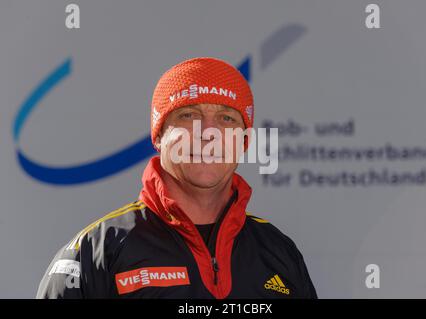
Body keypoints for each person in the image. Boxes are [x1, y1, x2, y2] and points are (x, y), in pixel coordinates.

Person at [36, 57, 317, 299]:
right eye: (188, 115)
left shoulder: (279, 252)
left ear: (244, 141)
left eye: (227, 118)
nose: (208, 133)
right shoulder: (95, 252)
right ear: (158, 136)